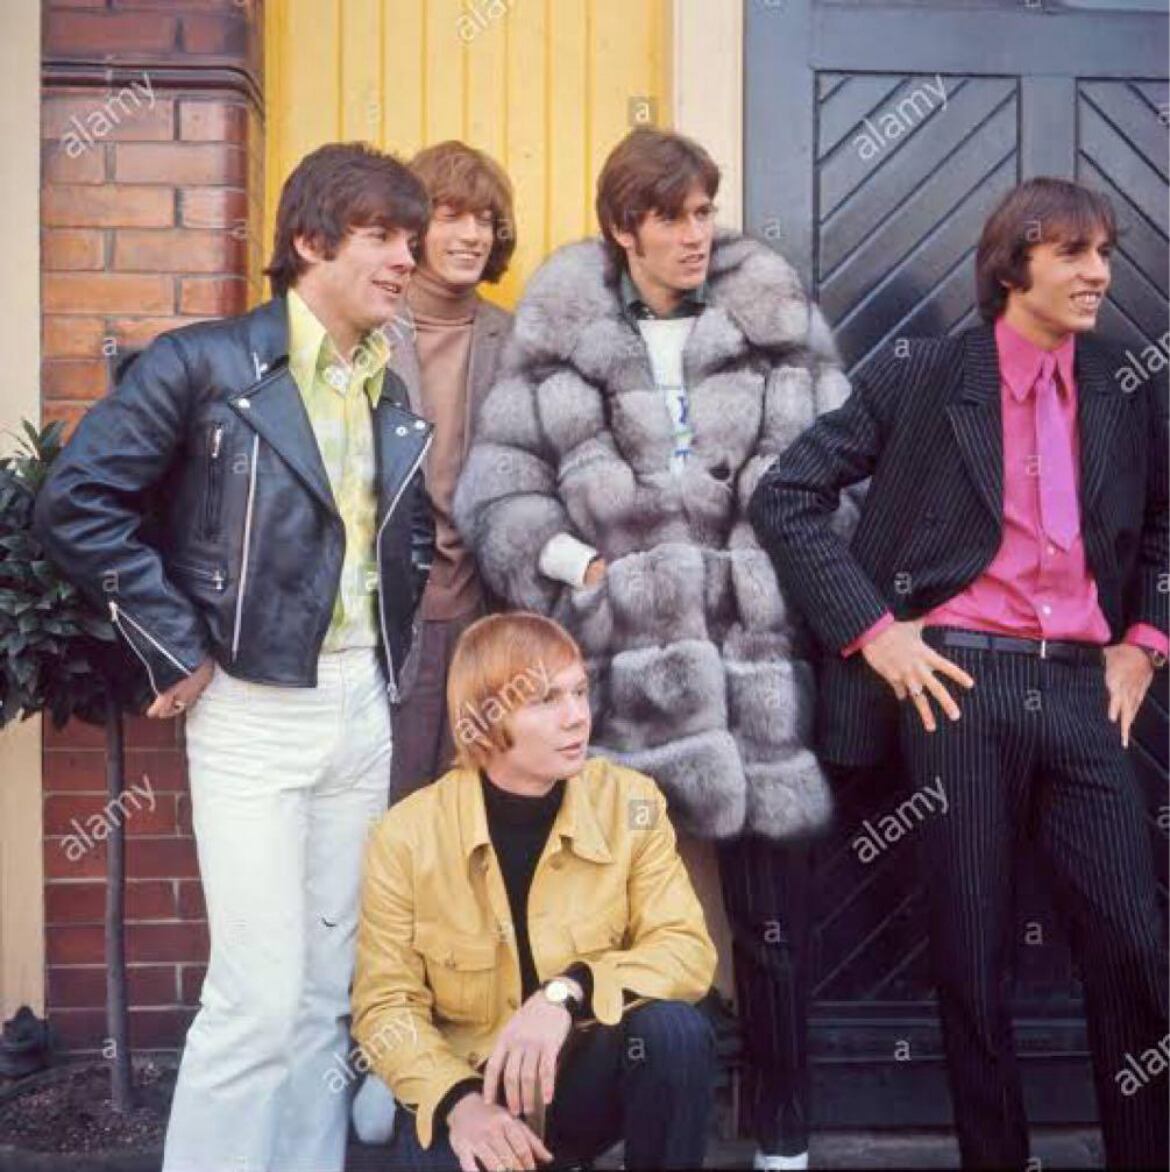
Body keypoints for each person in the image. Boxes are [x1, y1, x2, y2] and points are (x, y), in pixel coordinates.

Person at [454, 127, 854, 1171]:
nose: (694, 233)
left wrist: (775, 571)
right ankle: (567, 1118)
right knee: (589, 911)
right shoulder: (558, 338)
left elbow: (844, 476)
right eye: (670, 216)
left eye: (703, 211)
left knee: (773, 928)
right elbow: (499, 496)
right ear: (624, 227)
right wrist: (588, 570)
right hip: (616, 674)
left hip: (756, 667)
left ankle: (784, 1144)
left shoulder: (776, 327)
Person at [750, 177, 1168, 1170]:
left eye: (1105, 253)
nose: (1099, 273)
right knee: (972, 962)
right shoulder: (929, 375)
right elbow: (786, 495)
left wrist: (1146, 638)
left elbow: (1164, 521)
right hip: (958, 690)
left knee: (1134, 946)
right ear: (1012, 266)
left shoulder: (1121, 383)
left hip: (1084, 689)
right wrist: (874, 632)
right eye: (1073, 253)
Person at [35, 142, 435, 1172]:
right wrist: (175, 645)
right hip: (252, 708)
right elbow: (77, 502)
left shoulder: (387, 384)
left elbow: (402, 536)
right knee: (257, 994)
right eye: (382, 236)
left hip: (360, 704)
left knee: (325, 987)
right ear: (310, 241)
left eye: (411, 239)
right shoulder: (203, 365)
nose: (407, 259)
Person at [351, 611, 718, 1171]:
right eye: (547, 700)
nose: (577, 717)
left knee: (674, 1033)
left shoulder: (630, 803)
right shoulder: (406, 836)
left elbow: (686, 949)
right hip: (472, 1091)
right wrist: (458, 1103)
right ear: (485, 718)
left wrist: (566, 993)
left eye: (579, 692)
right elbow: (385, 1007)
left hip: (581, 1079)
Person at [387, 140, 515, 801]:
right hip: (390, 617)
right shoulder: (369, 330)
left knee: (470, 805)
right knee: (392, 806)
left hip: (482, 610)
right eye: (451, 215)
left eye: (485, 220)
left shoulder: (514, 338)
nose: (472, 235)